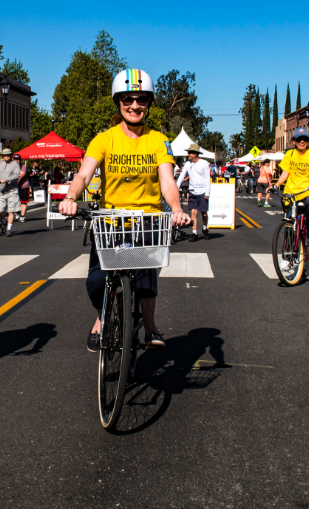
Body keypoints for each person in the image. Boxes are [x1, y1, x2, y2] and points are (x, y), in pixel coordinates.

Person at [58, 68, 190, 352]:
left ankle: (151, 326)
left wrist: (177, 208)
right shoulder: (104, 139)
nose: (135, 105)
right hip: (111, 224)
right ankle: (100, 320)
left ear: (149, 103)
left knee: (145, 279)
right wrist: (71, 196)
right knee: (96, 282)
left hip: (147, 222)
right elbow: (83, 174)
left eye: (141, 99)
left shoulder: (158, 139)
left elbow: (167, 182)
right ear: (118, 102)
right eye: (128, 99)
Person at [273, 127, 309, 245]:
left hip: (308, 190)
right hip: (291, 192)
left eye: (305, 139)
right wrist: (276, 184)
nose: (302, 142)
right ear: (294, 141)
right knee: (288, 223)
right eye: (299, 139)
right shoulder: (290, 154)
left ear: (308, 141)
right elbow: (285, 173)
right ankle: (287, 254)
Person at [175, 143, 211, 240]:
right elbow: (182, 176)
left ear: (195, 154)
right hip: (193, 191)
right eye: (188, 153)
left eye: (190, 153)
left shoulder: (204, 163)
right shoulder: (187, 164)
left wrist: (207, 192)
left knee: (203, 213)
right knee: (193, 213)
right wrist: (175, 188)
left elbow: (208, 178)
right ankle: (194, 233)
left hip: (203, 192)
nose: (188, 154)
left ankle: (205, 229)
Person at [15, 154, 31, 222]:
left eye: (18, 160)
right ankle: (17, 213)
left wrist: (16, 181)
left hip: (24, 186)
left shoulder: (23, 166)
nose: (17, 161)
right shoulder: (11, 167)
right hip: (14, 187)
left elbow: (22, 175)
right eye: (15, 159)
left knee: (23, 201)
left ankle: (22, 216)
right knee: (15, 201)